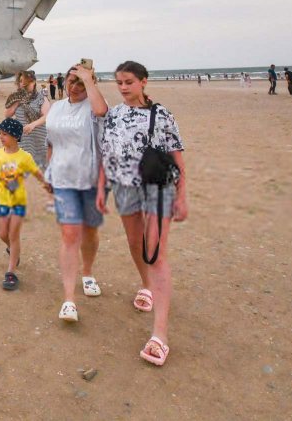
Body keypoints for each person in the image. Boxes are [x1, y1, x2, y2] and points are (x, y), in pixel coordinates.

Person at [97, 61, 187, 366]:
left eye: (129, 82)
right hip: (124, 188)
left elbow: (177, 157)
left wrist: (183, 196)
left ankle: (159, 336)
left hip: (158, 187)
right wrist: (101, 189)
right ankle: (147, 285)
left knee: (156, 253)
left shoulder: (161, 115)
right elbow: (106, 155)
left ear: (143, 82)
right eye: (119, 82)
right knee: (135, 243)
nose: (123, 88)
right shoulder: (114, 115)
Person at [46, 64, 109, 322]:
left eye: (81, 83)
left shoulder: (94, 107)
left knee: (90, 231)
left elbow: (102, 110)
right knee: (70, 234)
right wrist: (48, 171)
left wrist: (88, 80)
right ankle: (69, 300)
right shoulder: (57, 107)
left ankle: (88, 272)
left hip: (91, 179)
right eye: (72, 81)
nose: (75, 87)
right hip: (62, 179)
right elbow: (50, 141)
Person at [0, 117, 50, 291]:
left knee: (13, 235)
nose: (1, 137)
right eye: (0, 134)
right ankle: (12, 250)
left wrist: (47, 185)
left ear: (15, 136)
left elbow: (36, 173)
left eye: (4, 134)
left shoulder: (25, 157)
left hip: (18, 203)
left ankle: (11, 272)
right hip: (3, 203)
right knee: (2, 234)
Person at [4, 70, 51, 210]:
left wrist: (33, 124)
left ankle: (52, 200)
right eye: (21, 82)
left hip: (40, 140)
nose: (24, 84)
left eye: (27, 82)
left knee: (45, 171)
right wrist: (17, 100)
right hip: (23, 141)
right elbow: (7, 115)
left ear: (34, 82)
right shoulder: (16, 98)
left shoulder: (42, 98)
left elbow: (47, 116)